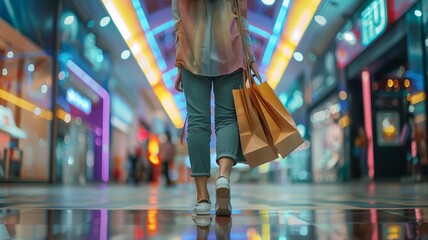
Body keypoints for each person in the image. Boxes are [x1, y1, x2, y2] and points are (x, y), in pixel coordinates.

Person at [172, 0, 261, 216]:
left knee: (197, 123)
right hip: (229, 48)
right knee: (228, 119)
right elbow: (241, 17)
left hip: (193, 52)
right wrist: (249, 57)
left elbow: (178, 22)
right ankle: (223, 177)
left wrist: (179, 62)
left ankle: (202, 198)